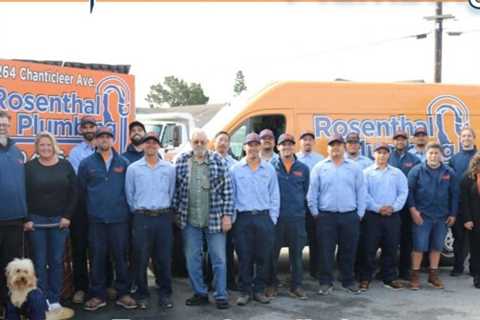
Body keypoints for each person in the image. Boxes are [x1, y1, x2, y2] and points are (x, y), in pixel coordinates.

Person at [173, 129, 234, 310]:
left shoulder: (218, 161)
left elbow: (228, 191)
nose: (199, 145)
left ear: (208, 143)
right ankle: (200, 293)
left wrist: (227, 216)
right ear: (191, 143)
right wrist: (177, 213)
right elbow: (176, 189)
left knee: (219, 259)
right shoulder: (182, 161)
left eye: (202, 142)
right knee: (192, 258)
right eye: (196, 142)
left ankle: (221, 295)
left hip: (215, 219)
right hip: (190, 220)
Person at [78, 127, 137, 311]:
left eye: (107, 136)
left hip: (119, 220)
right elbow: (81, 192)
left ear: (113, 140)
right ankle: (97, 295)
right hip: (96, 221)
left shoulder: (124, 162)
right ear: (95, 141)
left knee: (120, 258)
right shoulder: (86, 164)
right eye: (100, 137)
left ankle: (123, 293)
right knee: (96, 259)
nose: (104, 139)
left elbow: (130, 191)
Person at [24, 132, 77, 319]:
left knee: (56, 261)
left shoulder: (65, 166)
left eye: (48, 145)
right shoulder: (29, 168)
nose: (45, 148)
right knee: (39, 262)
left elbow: (74, 193)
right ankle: (42, 299)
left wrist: (67, 216)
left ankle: (54, 298)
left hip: (59, 222)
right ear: (37, 148)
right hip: (36, 222)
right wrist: (27, 218)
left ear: (54, 146)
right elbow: (23, 195)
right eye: (42, 145)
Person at [307, 134, 366, 295]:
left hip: (350, 216)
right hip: (326, 217)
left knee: (349, 250)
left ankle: (348, 280)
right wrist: (315, 213)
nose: (336, 148)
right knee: (325, 251)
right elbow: (312, 193)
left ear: (344, 147)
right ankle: (325, 282)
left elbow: (361, 191)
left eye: (339, 144)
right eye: (333, 145)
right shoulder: (319, 167)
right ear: (328, 148)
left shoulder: (354, 168)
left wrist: (359, 213)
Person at [125, 132, 175, 310]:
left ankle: (165, 293)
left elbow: (171, 192)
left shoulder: (169, 168)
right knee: (140, 258)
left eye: (155, 143)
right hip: (141, 217)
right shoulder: (133, 169)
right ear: (143, 145)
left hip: (163, 217)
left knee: (163, 258)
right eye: (148, 142)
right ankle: (142, 294)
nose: (151, 145)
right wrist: (140, 211)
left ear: (158, 146)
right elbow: (129, 195)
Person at [231, 132, 280, 306]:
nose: (252, 148)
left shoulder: (269, 169)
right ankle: (245, 292)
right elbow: (232, 196)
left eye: (255, 145)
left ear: (260, 147)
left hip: (263, 218)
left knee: (263, 257)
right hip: (242, 219)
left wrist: (272, 218)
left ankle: (258, 290)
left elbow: (275, 194)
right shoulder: (235, 169)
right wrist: (234, 218)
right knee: (244, 257)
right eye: (249, 145)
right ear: (244, 148)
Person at [407, 143, 458, 290]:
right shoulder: (416, 171)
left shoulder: (449, 172)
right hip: (422, 216)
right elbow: (409, 192)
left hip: (442, 217)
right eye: (431, 153)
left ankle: (433, 276)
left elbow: (454, 195)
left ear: (441, 155)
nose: (434, 156)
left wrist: (453, 213)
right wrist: (413, 211)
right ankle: (415, 277)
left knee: (437, 247)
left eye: (436, 153)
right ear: (426, 155)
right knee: (419, 247)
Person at [359, 142, 408, 291]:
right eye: (379, 152)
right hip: (372, 216)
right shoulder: (366, 173)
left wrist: (393, 207)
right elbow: (363, 194)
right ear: (374, 154)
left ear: (389, 155)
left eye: (385, 152)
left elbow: (403, 192)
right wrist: (377, 208)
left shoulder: (397, 173)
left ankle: (389, 277)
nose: (382, 155)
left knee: (391, 248)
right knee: (368, 248)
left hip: (392, 216)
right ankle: (365, 277)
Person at [270, 133, 310, 299]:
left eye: (289, 144)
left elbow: (307, 193)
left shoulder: (303, 169)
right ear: (277, 147)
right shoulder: (270, 167)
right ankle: (271, 285)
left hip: (296, 219)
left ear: (294, 147)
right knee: (272, 254)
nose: (286, 147)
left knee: (296, 255)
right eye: (283, 144)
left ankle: (296, 286)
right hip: (276, 219)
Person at [67, 115, 96, 304]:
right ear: (80, 130)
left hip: (101, 208)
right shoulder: (75, 153)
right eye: (84, 127)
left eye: (91, 126)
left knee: (100, 249)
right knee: (79, 250)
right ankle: (80, 288)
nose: (88, 130)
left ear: (96, 128)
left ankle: (100, 286)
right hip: (81, 208)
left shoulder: (106, 149)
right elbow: (80, 180)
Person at [0, 110, 27, 312]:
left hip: (16, 220)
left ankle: (10, 305)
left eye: (5, 124)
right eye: (0, 123)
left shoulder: (17, 152)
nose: (3, 126)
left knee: (11, 267)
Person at [388, 130, 421, 280]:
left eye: (402, 139)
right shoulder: (387, 157)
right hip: (391, 206)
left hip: (408, 206)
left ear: (407, 141)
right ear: (393, 141)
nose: (400, 142)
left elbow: (419, 183)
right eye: (397, 139)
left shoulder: (414, 160)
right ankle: (388, 270)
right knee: (391, 240)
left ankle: (404, 270)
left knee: (407, 240)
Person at [296, 130, 324, 280]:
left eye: (310, 139)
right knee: (298, 239)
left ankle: (315, 270)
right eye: (304, 139)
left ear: (313, 143)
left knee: (315, 239)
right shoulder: (295, 159)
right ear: (300, 142)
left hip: (313, 204)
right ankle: (297, 271)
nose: (307, 142)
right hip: (299, 205)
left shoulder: (320, 160)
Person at [449, 127, 477, 277]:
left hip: (476, 204)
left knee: (476, 238)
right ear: (460, 139)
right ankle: (458, 266)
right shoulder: (455, 158)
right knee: (458, 238)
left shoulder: (478, 157)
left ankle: (474, 268)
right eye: (463, 136)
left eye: (469, 136)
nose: (466, 138)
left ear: (474, 138)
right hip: (459, 203)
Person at [213, 131, 238, 290]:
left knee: (228, 249)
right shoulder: (209, 161)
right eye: (220, 140)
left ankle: (229, 281)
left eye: (226, 141)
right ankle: (212, 281)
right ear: (214, 143)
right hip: (212, 214)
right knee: (211, 251)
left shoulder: (235, 164)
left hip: (230, 213)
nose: (223, 143)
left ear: (229, 144)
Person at [460, 152, 480, 288]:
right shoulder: (467, 178)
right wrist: (467, 219)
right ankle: (477, 277)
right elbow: (464, 202)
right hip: (475, 220)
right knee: (476, 249)